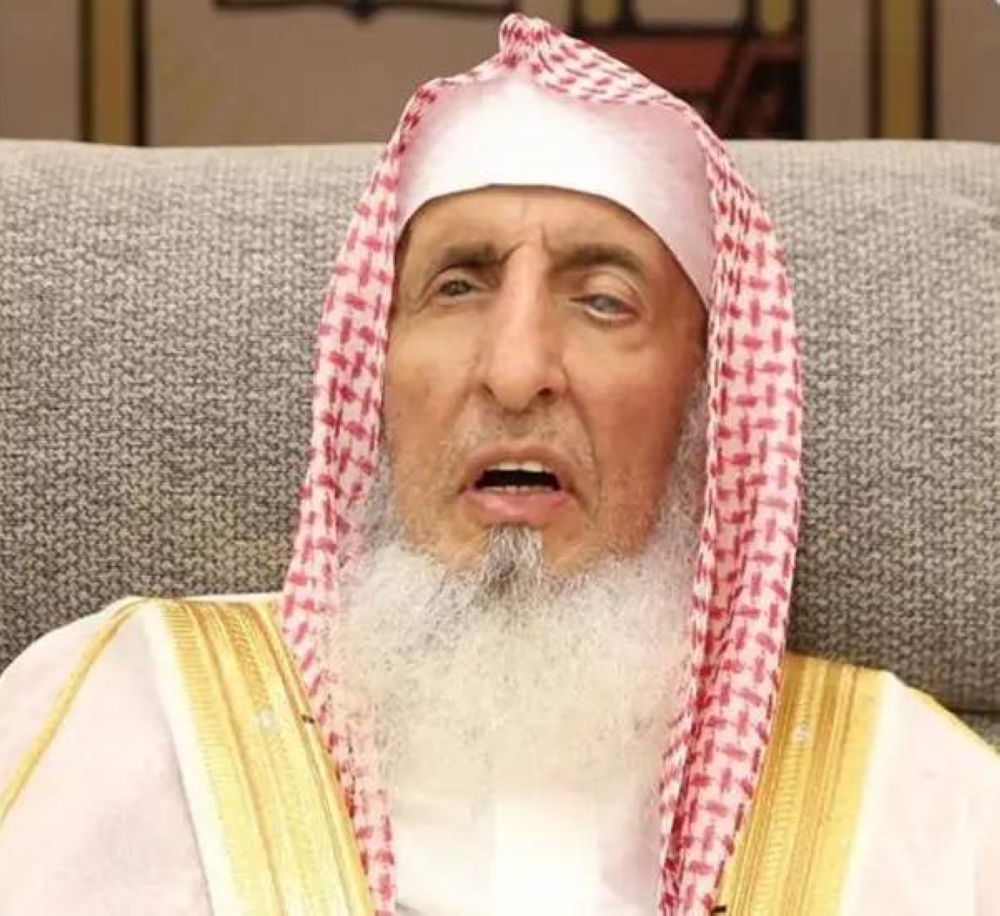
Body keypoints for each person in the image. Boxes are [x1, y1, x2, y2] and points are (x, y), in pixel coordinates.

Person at [0, 14, 996, 916]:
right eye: (457, 286)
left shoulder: (910, 805)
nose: (516, 373)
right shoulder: (133, 714)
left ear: (707, 404)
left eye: (603, 300)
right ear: (373, 369)